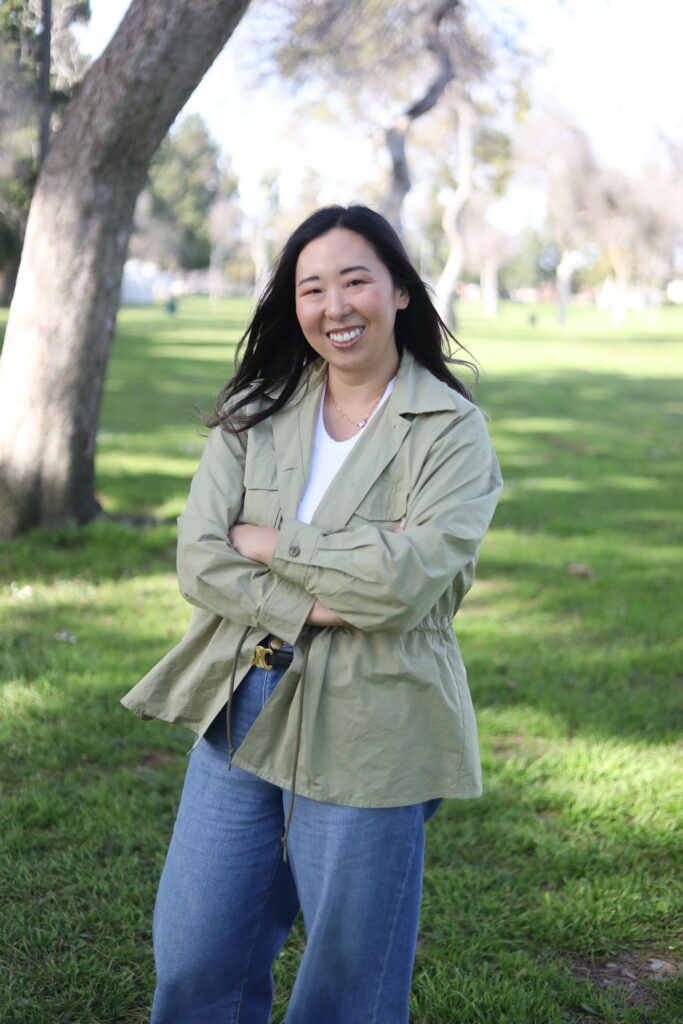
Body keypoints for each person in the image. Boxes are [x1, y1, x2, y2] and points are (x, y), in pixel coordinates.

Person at [121, 204, 503, 1024]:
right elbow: (200, 559)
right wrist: (330, 591)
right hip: (243, 698)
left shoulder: (451, 432)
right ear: (292, 305)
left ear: (399, 291)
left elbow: (404, 587)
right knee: (193, 963)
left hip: (378, 717)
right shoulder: (256, 409)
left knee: (345, 988)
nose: (335, 306)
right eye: (311, 287)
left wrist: (270, 542)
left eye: (355, 280)